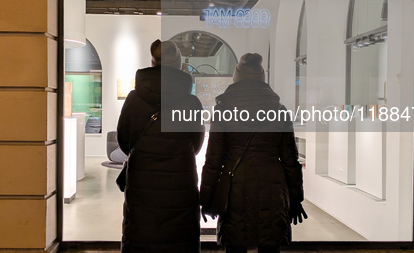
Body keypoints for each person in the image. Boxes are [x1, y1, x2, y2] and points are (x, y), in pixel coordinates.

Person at [200, 53, 306, 253]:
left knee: (235, 246)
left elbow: (213, 161)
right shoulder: (280, 111)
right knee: (269, 245)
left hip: (234, 190)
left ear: (236, 78)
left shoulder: (222, 110)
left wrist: (207, 199)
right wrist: (295, 198)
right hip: (273, 189)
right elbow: (290, 160)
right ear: (261, 79)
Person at [117, 39, 205, 253]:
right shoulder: (191, 103)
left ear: (153, 62)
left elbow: (124, 140)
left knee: (142, 237)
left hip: (142, 184)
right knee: (179, 241)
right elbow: (196, 145)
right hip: (180, 186)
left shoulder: (134, 99)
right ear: (179, 65)